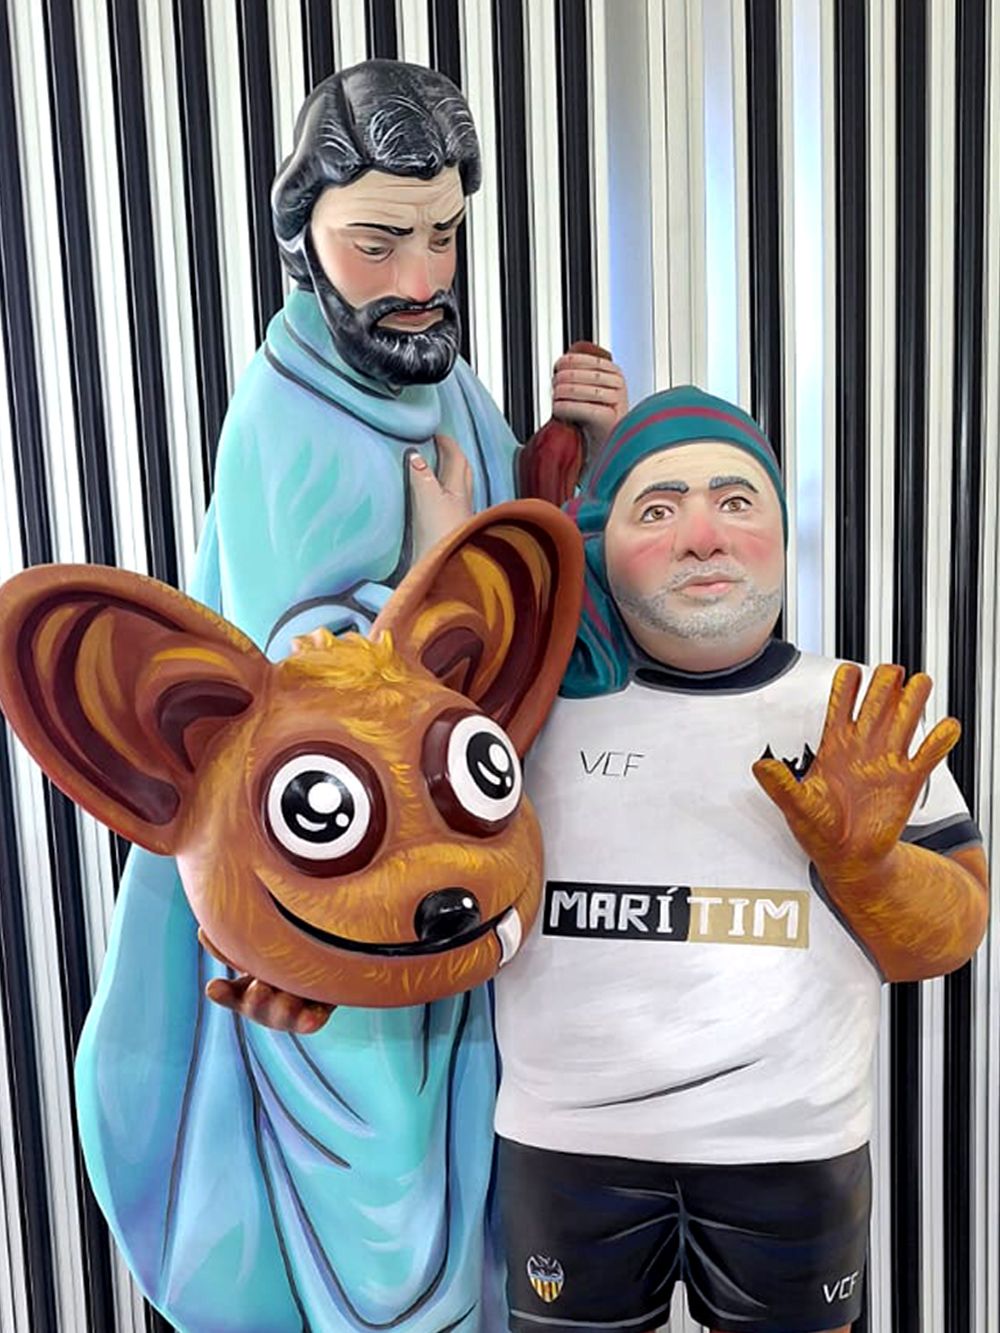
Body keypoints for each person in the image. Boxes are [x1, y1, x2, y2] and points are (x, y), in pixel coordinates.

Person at [74, 59, 624, 1333]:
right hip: (334, 892)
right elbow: (291, 696)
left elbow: (514, 579)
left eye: (443, 235)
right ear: (302, 236)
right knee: (375, 1202)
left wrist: (560, 455)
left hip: (454, 874)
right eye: (379, 243)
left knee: (460, 1161)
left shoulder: (437, 377)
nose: (421, 278)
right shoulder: (282, 417)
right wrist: (433, 573)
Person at [493, 386, 989, 1333]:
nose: (701, 537)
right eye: (656, 509)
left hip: (792, 1151)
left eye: (735, 500)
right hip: (565, 1147)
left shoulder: (857, 712)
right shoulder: (527, 712)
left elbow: (948, 937)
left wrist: (869, 870)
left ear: (781, 532)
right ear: (598, 543)